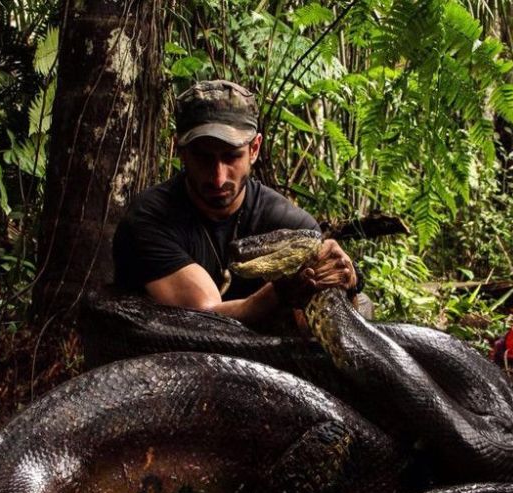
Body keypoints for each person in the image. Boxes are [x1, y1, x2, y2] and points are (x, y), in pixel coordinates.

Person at [113, 79, 361, 326]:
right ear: (180, 150)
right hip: (168, 355)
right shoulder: (148, 219)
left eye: (231, 156)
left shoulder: (290, 224)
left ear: (254, 149)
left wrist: (343, 282)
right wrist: (279, 292)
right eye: (203, 157)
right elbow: (202, 318)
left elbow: (318, 326)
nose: (218, 178)